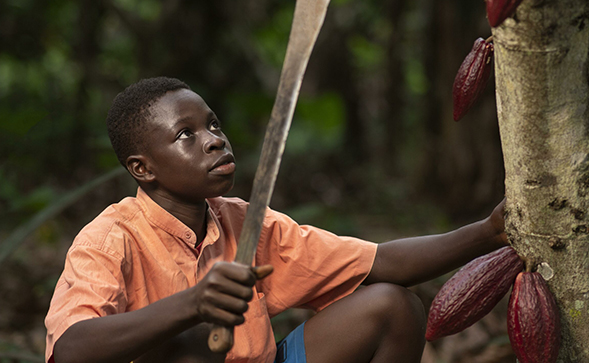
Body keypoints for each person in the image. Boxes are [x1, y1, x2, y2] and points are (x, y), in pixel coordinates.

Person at [44, 77, 507, 363]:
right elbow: (71, 350)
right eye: (186, 135)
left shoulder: (244, 221)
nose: (213, 141)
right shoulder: (108, 239)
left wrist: (489, 231)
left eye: (214, 125)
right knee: (186, 352)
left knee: (391, 306)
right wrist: (192, 305)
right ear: (142, 168)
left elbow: (381, 262)